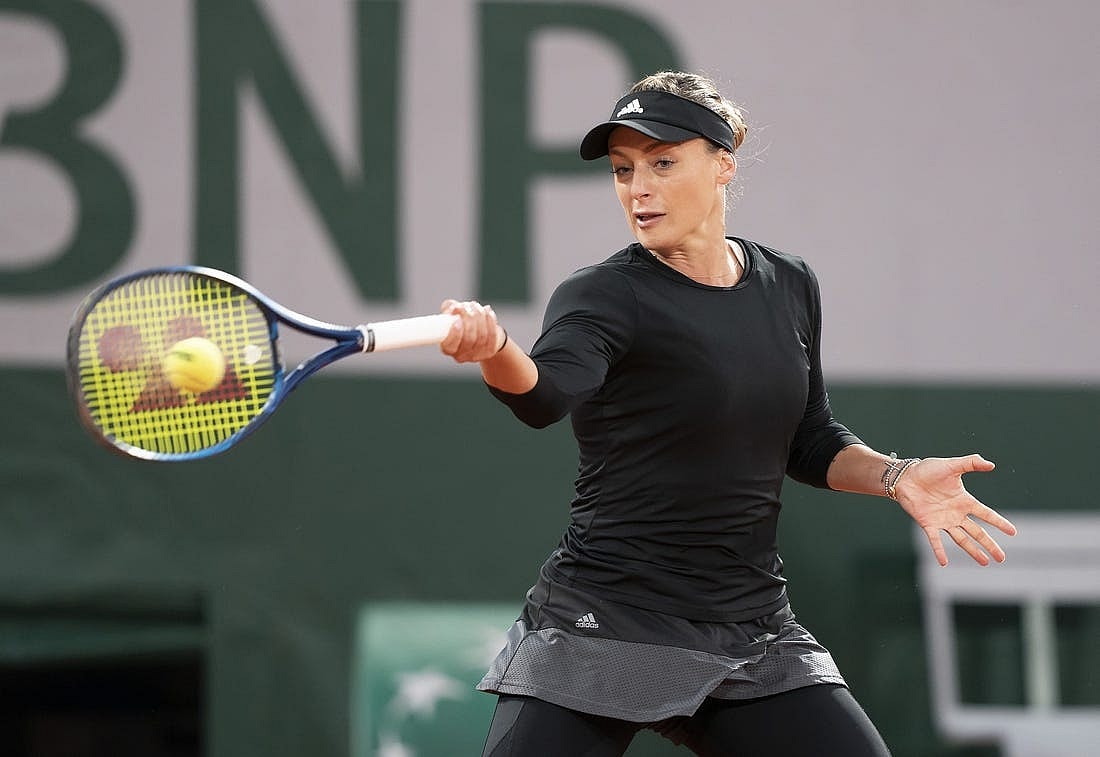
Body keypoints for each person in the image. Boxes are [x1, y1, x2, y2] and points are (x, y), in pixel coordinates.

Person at [439, 70, 1017, 757]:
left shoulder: (790, 284)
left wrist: (898, 475)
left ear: (723, 165)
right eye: (623, 170)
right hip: (604, 622)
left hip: (749, 632)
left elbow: (808, 438)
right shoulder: (601, 295)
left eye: (661, 162)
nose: (638, 188)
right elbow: (542, 396)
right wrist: (496, 349)